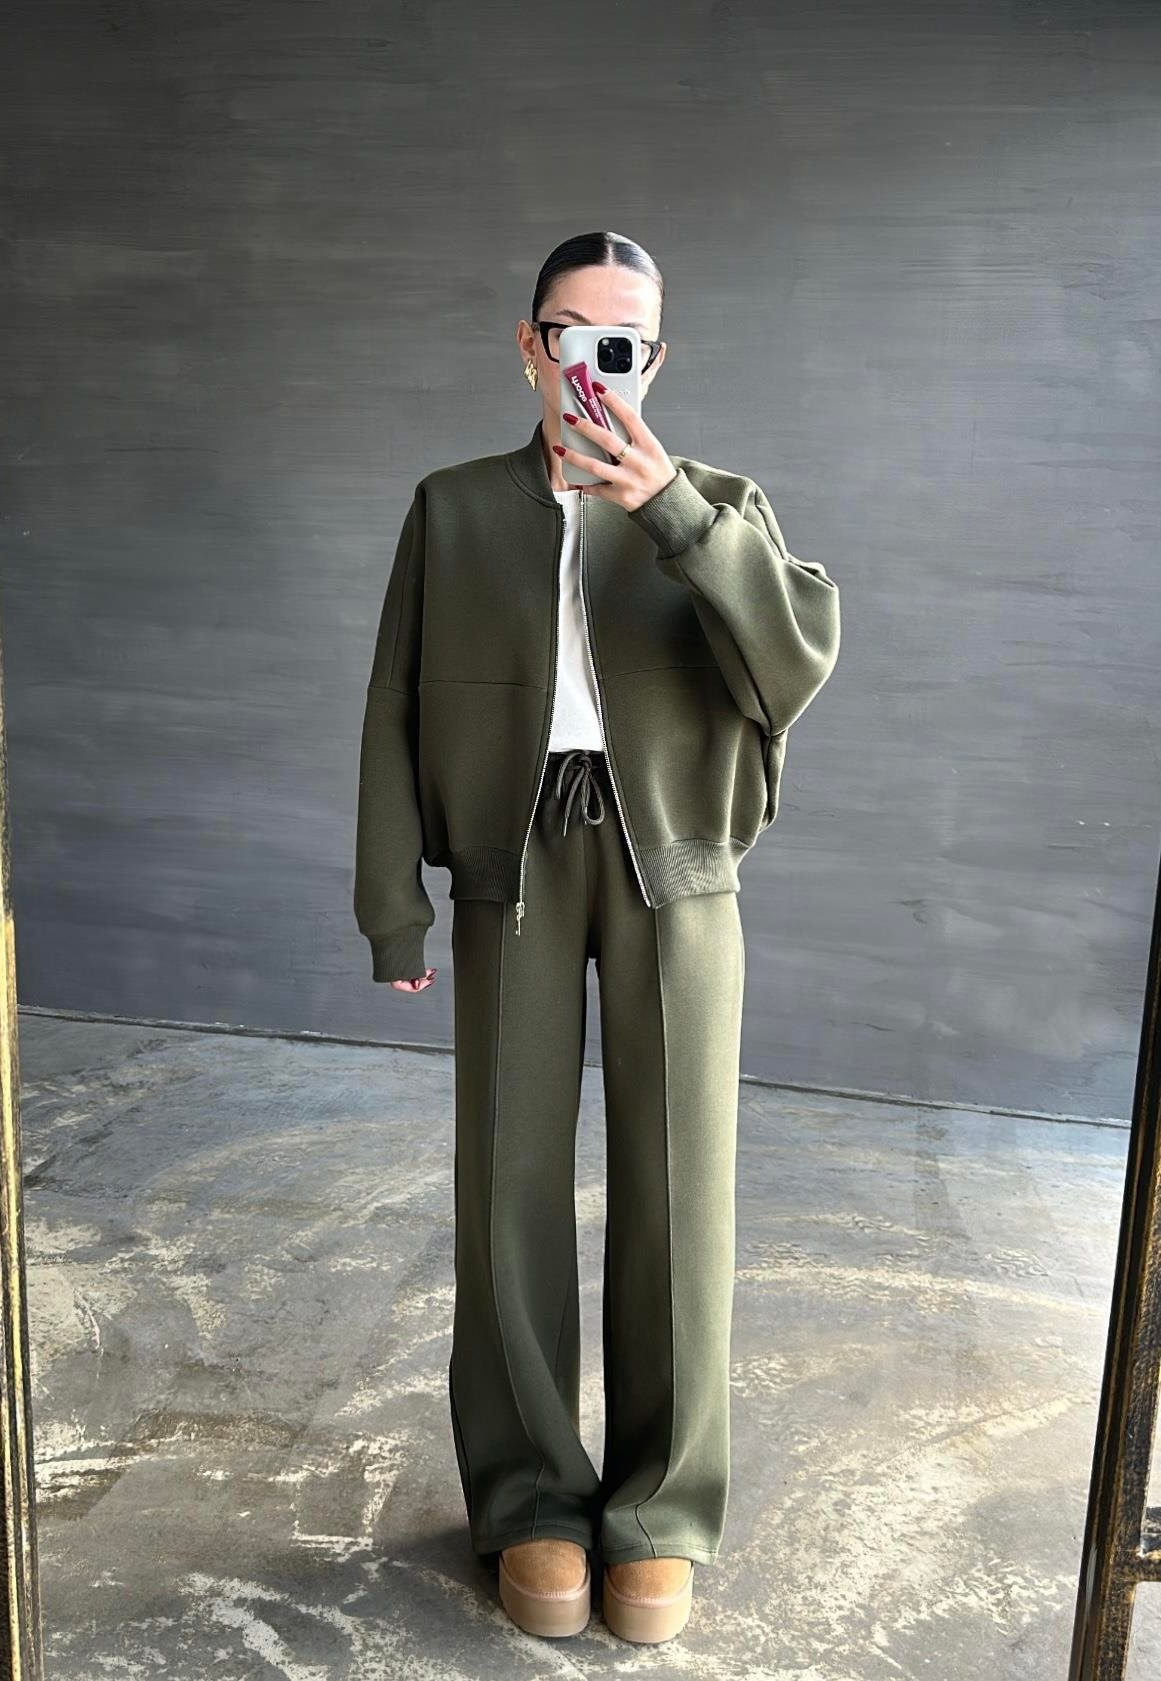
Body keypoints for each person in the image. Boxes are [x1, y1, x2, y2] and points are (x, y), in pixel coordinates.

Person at [353, 230, 841, 1644]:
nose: (596, 363)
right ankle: (527, 1498)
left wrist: (670, 508)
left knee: (680, 1187)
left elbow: (794, 664)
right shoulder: (452, 508)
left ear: (655, 358)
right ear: (530, 346)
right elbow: (391, 702)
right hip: (511, 866)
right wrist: (393, 899)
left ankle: (660, 1513)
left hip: (674, 871)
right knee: (505, 1180)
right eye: (572, 334)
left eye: (624, 342)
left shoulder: (718, 506)